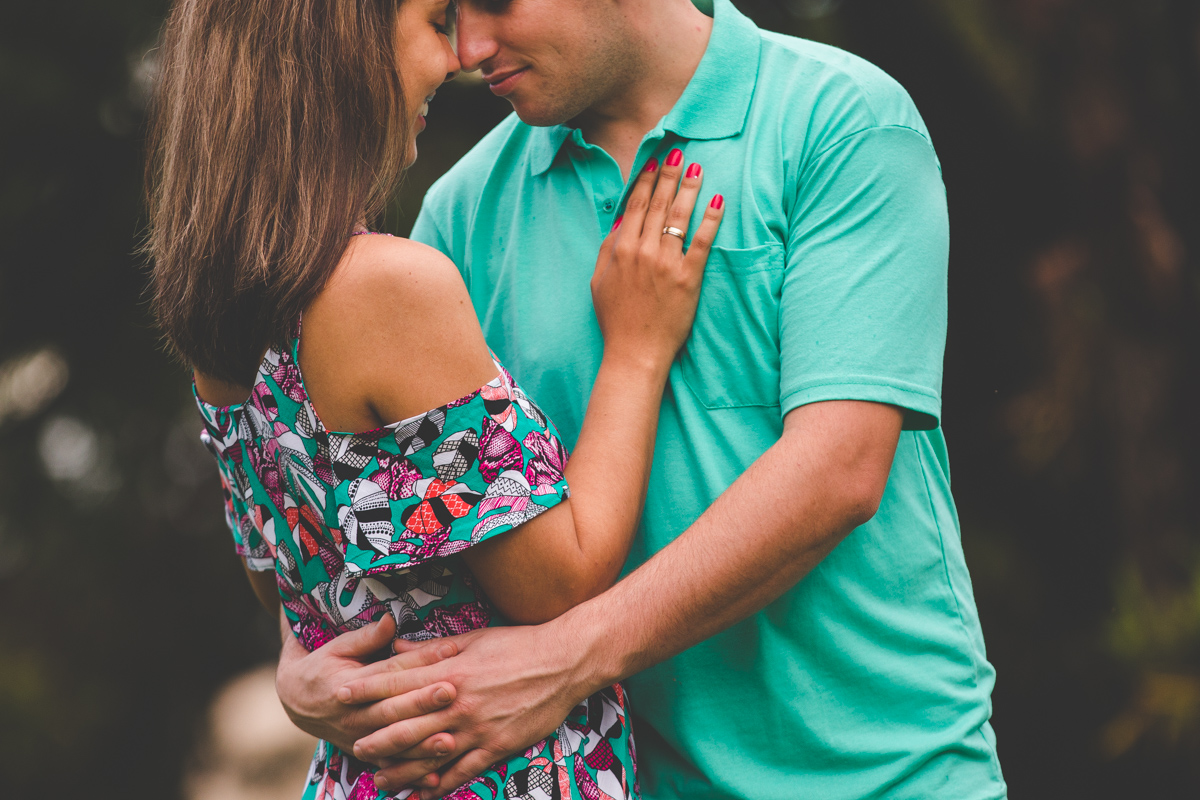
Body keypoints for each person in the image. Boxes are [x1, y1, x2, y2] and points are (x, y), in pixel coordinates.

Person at [273, 1, 1009, 799]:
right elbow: (368, 496)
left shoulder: (841, 121)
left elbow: (840, 469)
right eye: (453, 11)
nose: (468, 49)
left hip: (891, 775)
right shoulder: (457, 215)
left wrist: (568, 660)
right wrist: (298, 667)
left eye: (495, 3)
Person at [144, 0, 726, 798]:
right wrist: (637, 347)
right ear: (343, 51)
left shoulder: (224, 324)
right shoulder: (386, 287)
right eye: (432, 21)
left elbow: (276, 580)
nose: (456, 58)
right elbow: (562, 579)